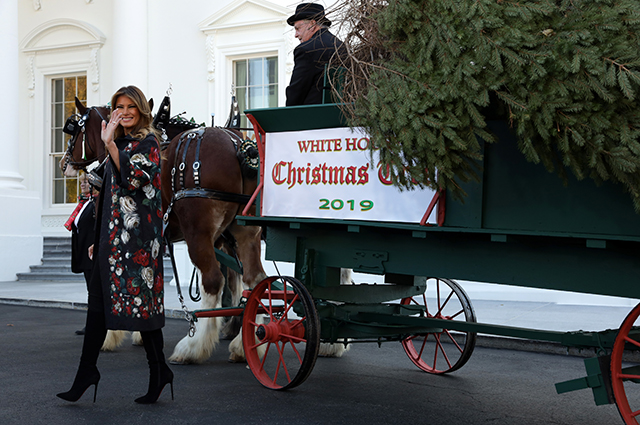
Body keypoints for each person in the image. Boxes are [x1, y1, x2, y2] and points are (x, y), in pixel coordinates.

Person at [57, 85, 171, 404]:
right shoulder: (118, 144)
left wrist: (108, 143)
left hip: (137, 244)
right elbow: (106, 197)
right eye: (118, 107)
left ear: (140, 110)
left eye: (130, 106)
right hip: (111, 243)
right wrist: (97, 240)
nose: (124, 111)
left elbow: (132, 179)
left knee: (141, 308)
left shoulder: (148, 143)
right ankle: (86, 373)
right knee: (96, 307)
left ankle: (159, 370)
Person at [285, 3, 344, 106]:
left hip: (312, 117)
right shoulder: (343, 47)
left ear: (312, 24)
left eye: (298, 28)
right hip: (343, 117)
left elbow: (296, 92)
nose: (296, 35)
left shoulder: (306, 50)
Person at [64, 172, 98, 335]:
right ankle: (92, 324)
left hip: (92, 254)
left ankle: (94, 325)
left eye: (86, 182)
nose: (83, 185)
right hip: (84, 254)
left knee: (94, 291)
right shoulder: (84, 204)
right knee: (90, 291)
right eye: (81, 182)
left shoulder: (95, 204)